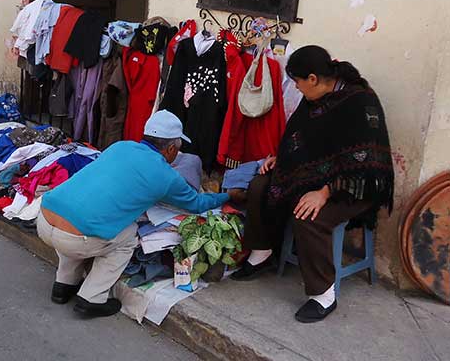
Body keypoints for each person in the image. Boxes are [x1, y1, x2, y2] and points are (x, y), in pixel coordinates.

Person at [230, 45, 394, 323]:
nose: (296, 87)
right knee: (261, 185)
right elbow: (299, 141)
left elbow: (366, 160)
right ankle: (262, 252)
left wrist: (325, 192)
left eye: (297, 82)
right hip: (315, 176)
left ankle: (323, 295)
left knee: (308, 216)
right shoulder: (314, 98)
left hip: (356, 185)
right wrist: (279, 160)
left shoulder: (360, 101)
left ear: (313, 79)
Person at [37, 110, 231, 318]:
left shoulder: (121, 146)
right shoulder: (165, 175)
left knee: (83, 214)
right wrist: (226, 197)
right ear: (171, 149)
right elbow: (196, 203)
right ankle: (91, 298)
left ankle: (63, 285)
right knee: (128, 234)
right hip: (75, 238)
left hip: (45, 219)